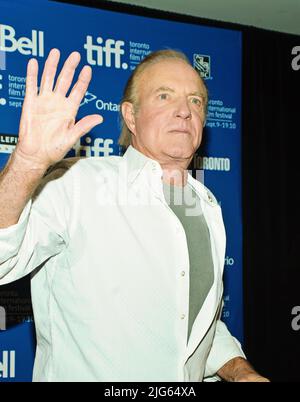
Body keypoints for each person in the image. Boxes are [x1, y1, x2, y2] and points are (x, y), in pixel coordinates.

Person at [0, 48, 268, 382]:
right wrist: (27, 161)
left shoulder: (207, 204)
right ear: (131, 117)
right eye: (164, 96)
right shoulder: (76, 183)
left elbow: (193, 325)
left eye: (196, 101)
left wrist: (240, 371)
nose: (184, 111)